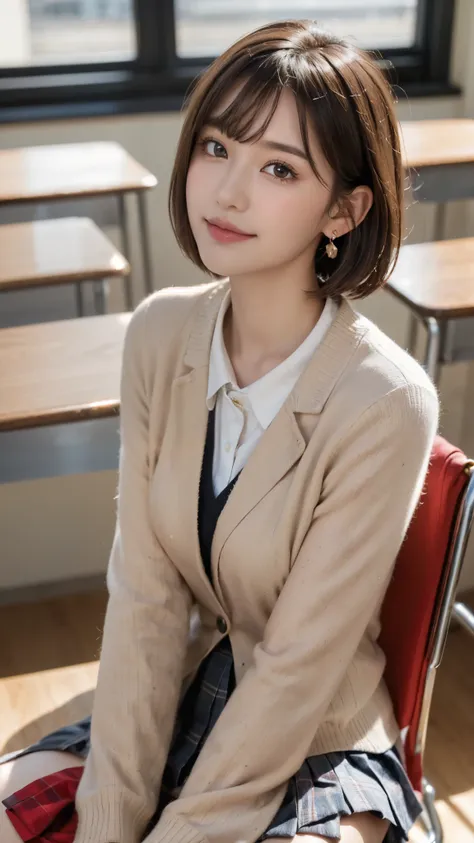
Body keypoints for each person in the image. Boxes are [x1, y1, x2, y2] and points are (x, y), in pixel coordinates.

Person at [0, 18, 439, 843]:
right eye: (214, 148)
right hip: (177, 709)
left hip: (317, 738)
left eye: (278, 167)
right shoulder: (159, 336)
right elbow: (146, 601)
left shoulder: (386, 400)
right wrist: (109, 822)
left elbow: (297, 668)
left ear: (346, 208)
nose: (228, 192)